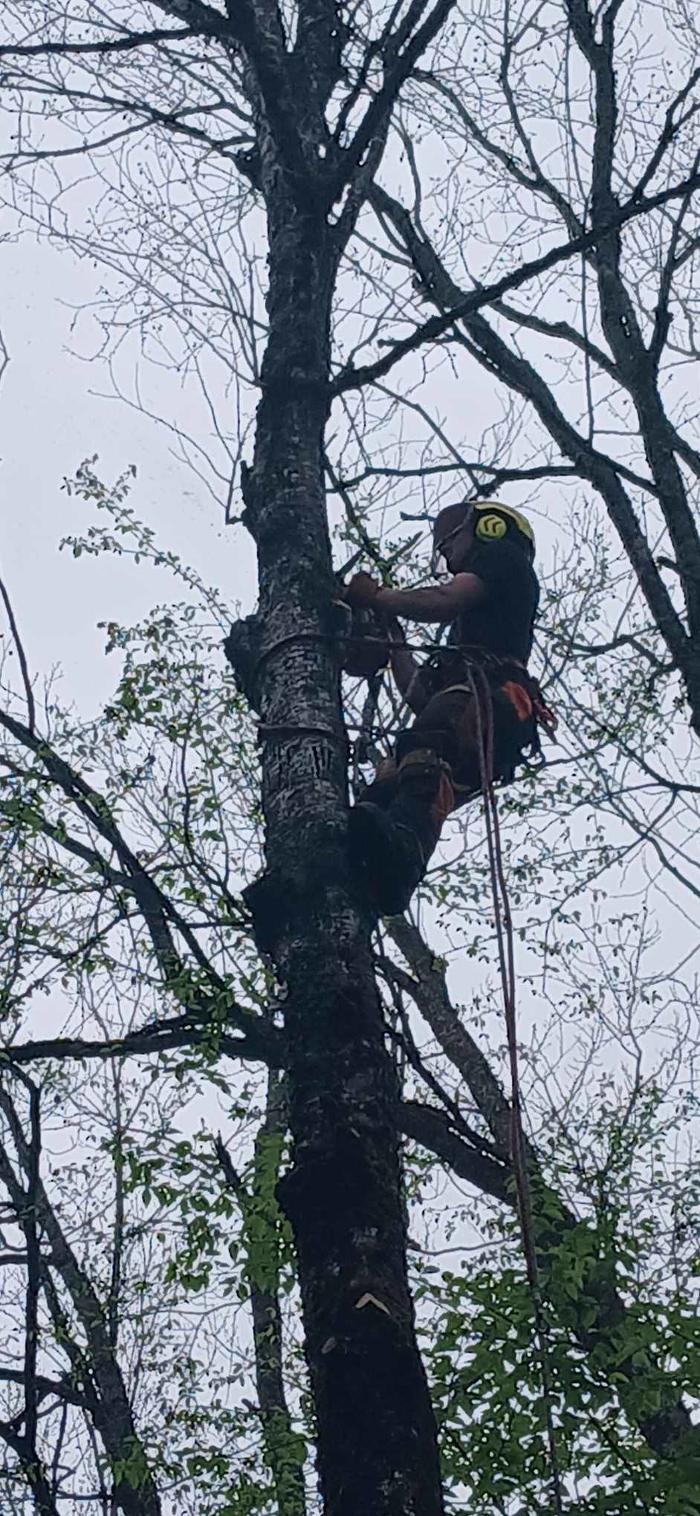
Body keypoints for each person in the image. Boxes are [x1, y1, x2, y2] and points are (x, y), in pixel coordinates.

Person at [343, 499, 551, 914]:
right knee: (396, 770)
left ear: (487, 528)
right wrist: (395, 642)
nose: (447, 557)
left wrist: (380, 596)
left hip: (495, 698)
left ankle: (402, 853)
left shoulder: (503, 560)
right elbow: (421, 697)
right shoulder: (468, 633)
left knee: (429, 743)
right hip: (474, 712)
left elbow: (441, 600)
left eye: (449, 544)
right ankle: (367, 856)